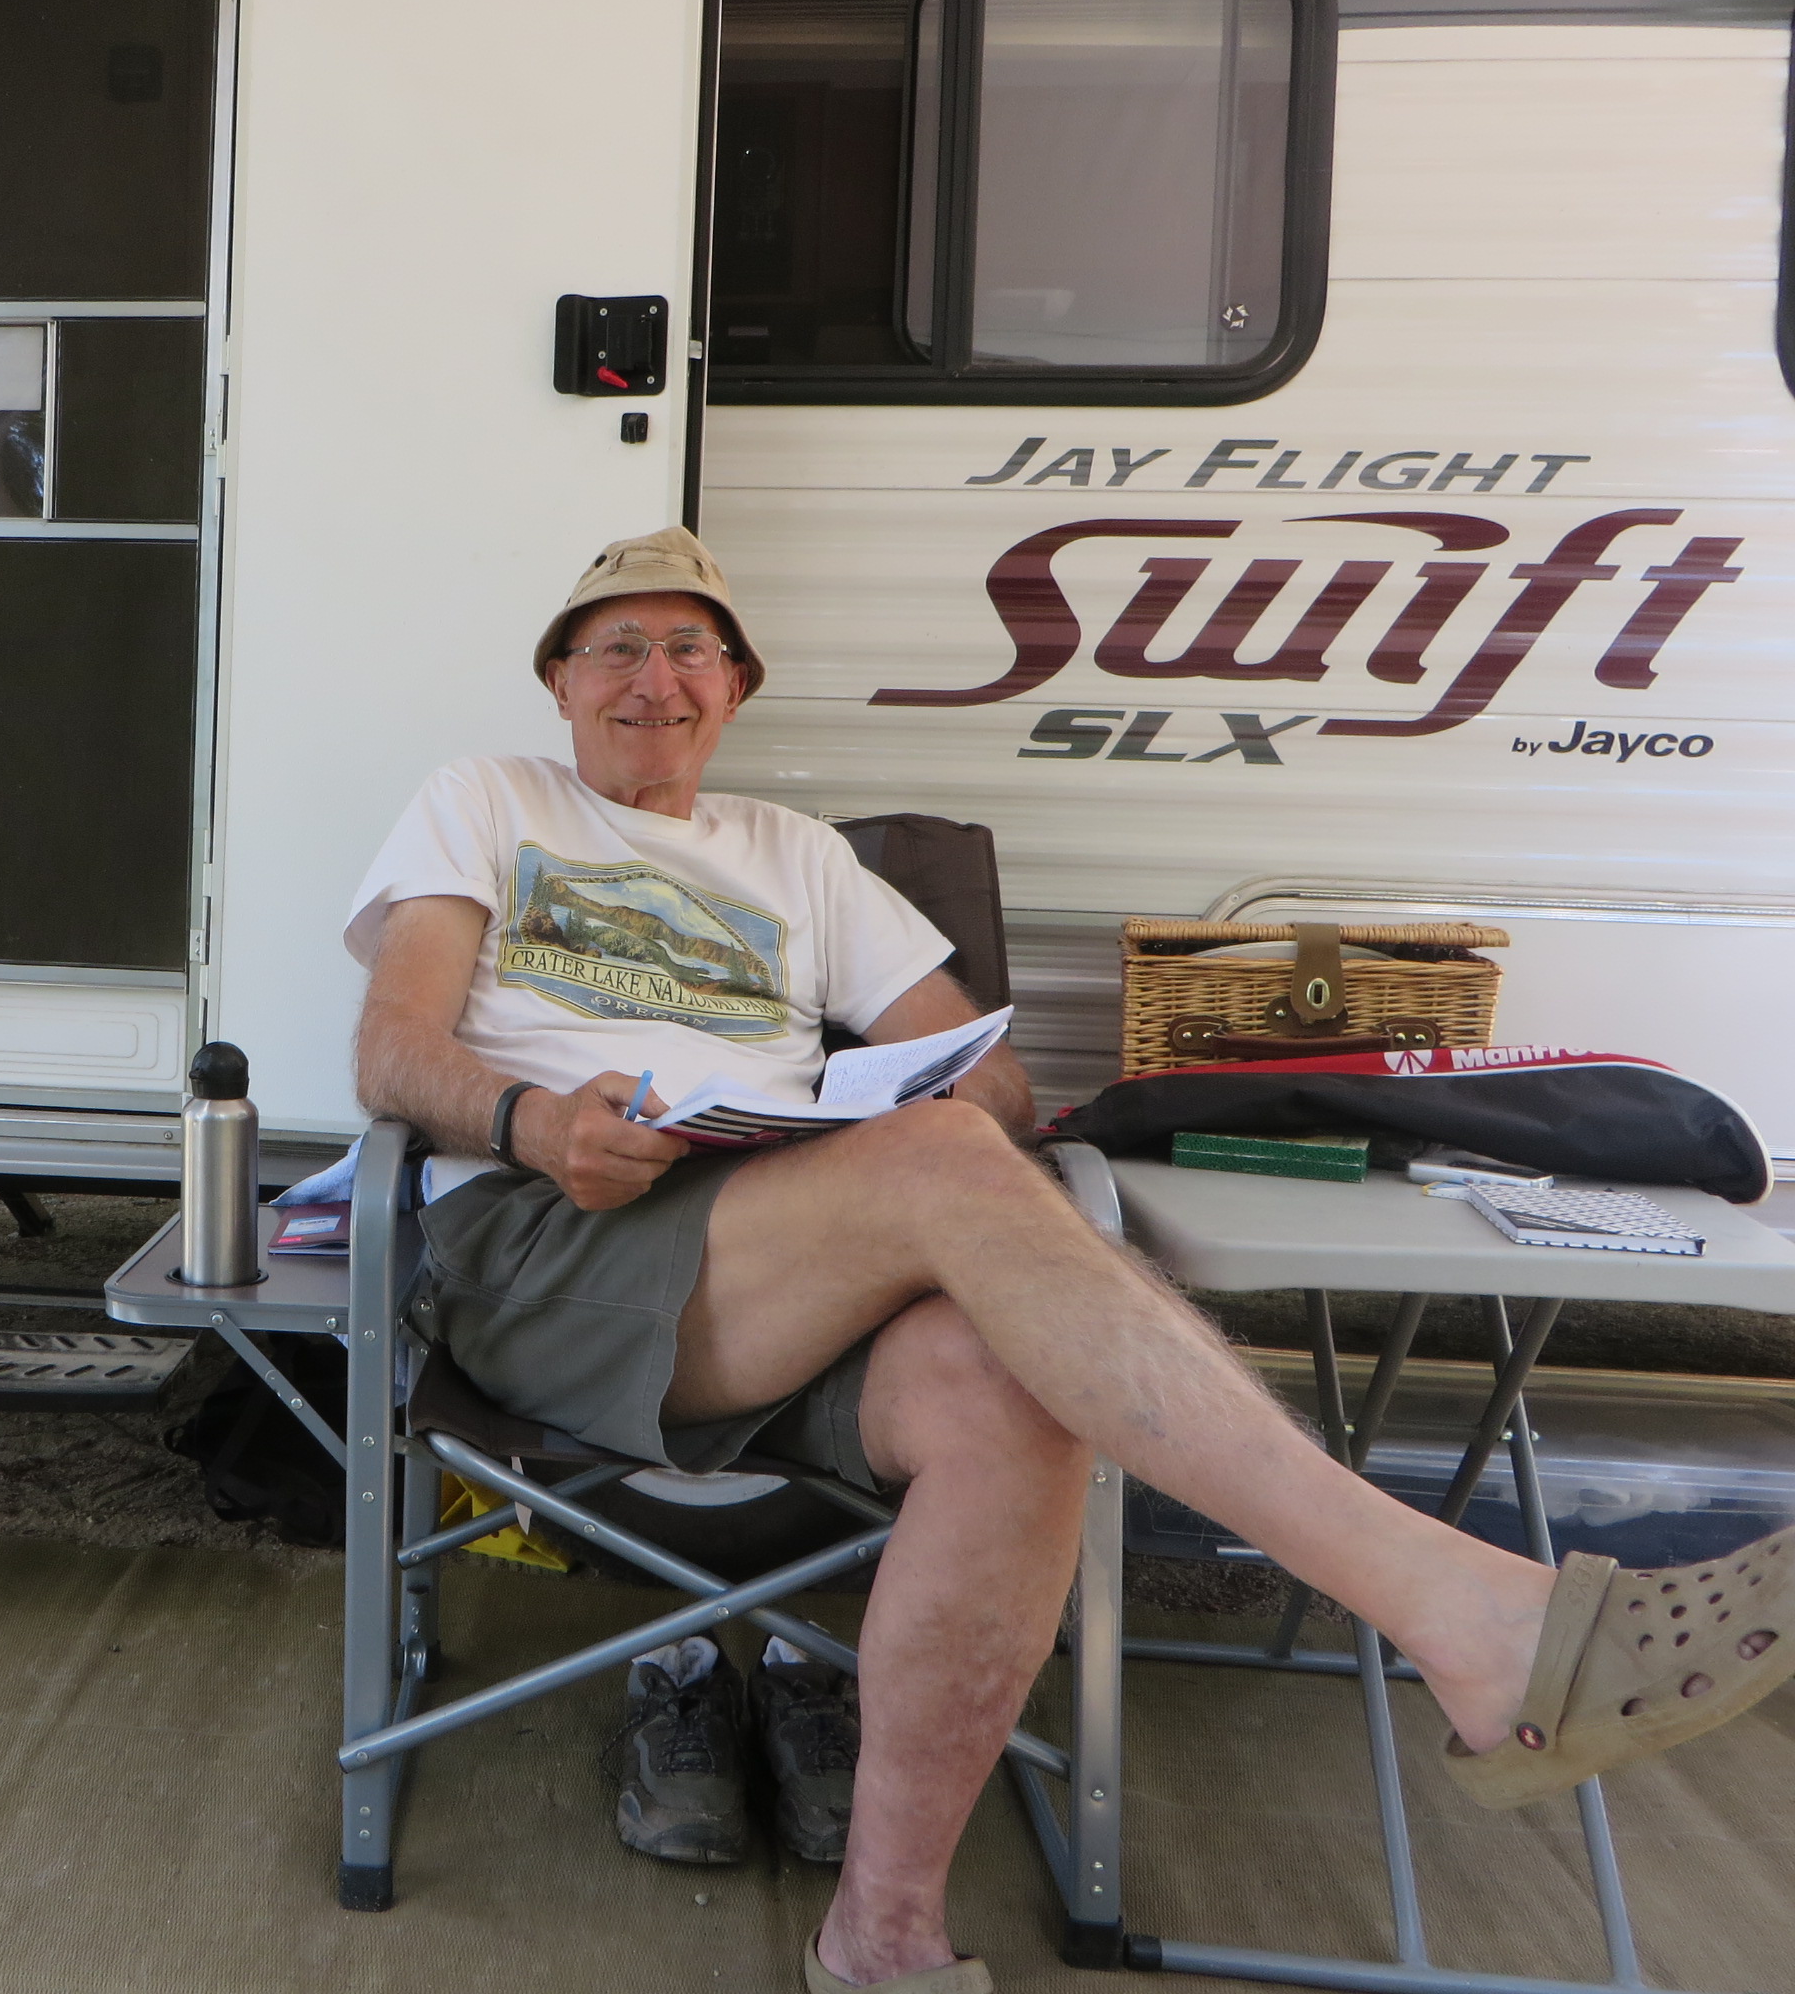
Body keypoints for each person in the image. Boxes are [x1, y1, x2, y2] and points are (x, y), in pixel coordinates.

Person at [344, 525, 1795, 1994]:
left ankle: (884, 1936)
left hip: (775, 1248)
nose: (653, 679)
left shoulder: (799, 857)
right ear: (559, 678)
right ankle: (1468, 1614)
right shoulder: (487, 802)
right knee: (939, 1167)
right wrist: (531, 1121)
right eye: (615, 646)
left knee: (1008, 1391)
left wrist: (867, 1128)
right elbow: (392, 1049)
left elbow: (989, 1084)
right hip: (551, 1241)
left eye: (690, 649)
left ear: (736, 687)